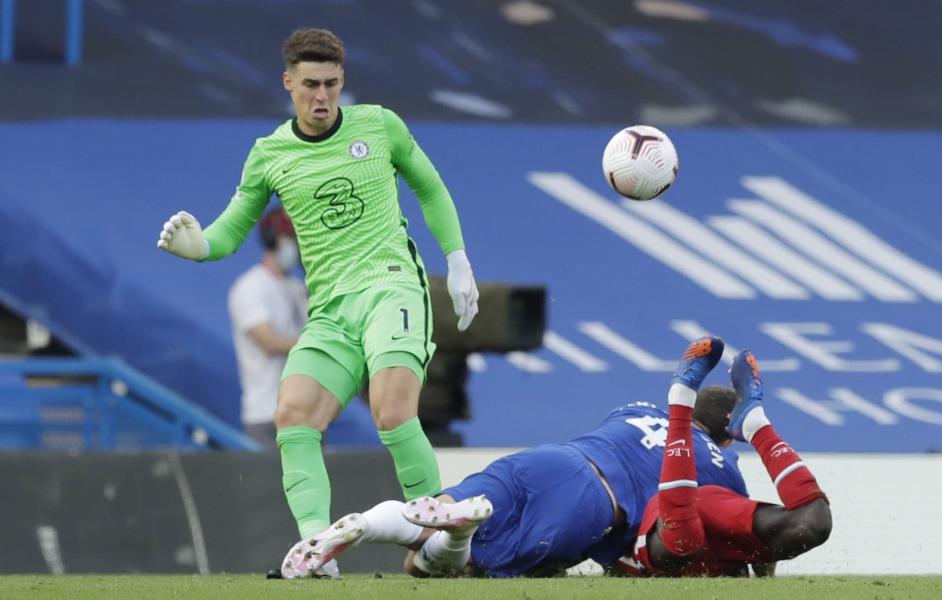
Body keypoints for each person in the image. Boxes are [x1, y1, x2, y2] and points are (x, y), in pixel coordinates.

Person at [155, 28, 480, 576]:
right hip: (330, 309)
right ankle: (317, 551)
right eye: (310, 85)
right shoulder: (269, 155)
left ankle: (436, 536)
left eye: (331, 83)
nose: (322, 96)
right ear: (289, 83)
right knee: (293, 416)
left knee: (392, 409)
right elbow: (232, 231)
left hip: (391, 285)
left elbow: (430, 186)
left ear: (343, 80)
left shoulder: (379, 125)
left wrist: (459, 259)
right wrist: (199, 246)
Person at [280, 336, 747, 578]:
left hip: (548, 460)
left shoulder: (638, 408)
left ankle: (383, 521)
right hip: (592, 504)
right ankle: (458, 532)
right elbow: (744, 537)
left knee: (427, 528)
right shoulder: (721, 466)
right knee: (463, 569)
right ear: (728, 436)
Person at [614, 347, 832, 577]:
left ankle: (680, 403)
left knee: (681, 544)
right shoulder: (726, 464)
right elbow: (760, 552)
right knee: (811, 525)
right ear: (729, 438)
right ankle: (757, 428)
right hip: (692, 519)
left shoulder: (631, 425)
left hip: (665, 527)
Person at [227, 208, 307, 447]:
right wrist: (315, 344)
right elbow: (269, 341)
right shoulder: (249, 287)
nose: (297, 246)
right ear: (274, 240)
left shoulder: (297, 287)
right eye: (292, 239)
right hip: (267, 412)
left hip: (305, 410)